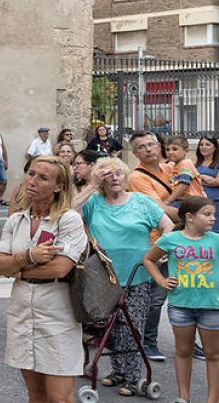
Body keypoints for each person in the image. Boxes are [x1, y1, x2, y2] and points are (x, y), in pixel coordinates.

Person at [0, 156, 86, 403]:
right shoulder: (16, 220)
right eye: (31, 174)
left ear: (58, 187)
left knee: (60, 398)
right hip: (22, 313)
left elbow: (60, 268)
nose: (32, 181)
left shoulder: (68, 219)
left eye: (43, 178)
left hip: (58, 316)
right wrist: (29, 256)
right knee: (36, 394)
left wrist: (18, 269)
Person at [79, 157, 175, 395]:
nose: (114, 178)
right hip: (103, 275)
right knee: (104, 326)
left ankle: (132, 378)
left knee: (131, 326)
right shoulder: (93, 202)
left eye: (118, 173)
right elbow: (68, 212)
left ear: (125, 177)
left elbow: (169, 226)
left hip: (137, 275)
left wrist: (160, 250)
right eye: (107, 174)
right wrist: (92, 185)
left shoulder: (141, 202)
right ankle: (118, 371)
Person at [143, 195, 219, 403]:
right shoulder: (170, 239)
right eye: (207, 214)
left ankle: (212, 400)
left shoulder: (216, 240)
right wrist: (160, 280)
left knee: (213, 355)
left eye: (213, 214)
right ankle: (183, 397)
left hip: (212, 306)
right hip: (180, 305)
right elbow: (149, 259)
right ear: (190, 217)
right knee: (183, 352)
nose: (213, 218)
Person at [129, 130, 179, 361]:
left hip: (181, 240)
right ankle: (148, 342)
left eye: (152, 144)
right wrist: (193, 213)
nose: (149, 149)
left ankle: (188, 343)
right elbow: (159, 210)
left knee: (186, 293)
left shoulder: (171, 169)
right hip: (156, 244)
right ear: (135, 152)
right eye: (142, 147)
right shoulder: (137, 177)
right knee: (155, 298)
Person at [197, 135, 219, 232]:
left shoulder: (217, 163)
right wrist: (205, 178)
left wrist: (199, 178)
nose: (203, 147)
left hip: (215, 202)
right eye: (201, 144)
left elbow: (216, 182)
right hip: (198, 203)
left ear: (215, 147)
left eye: (207, 144)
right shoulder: (195, 163)